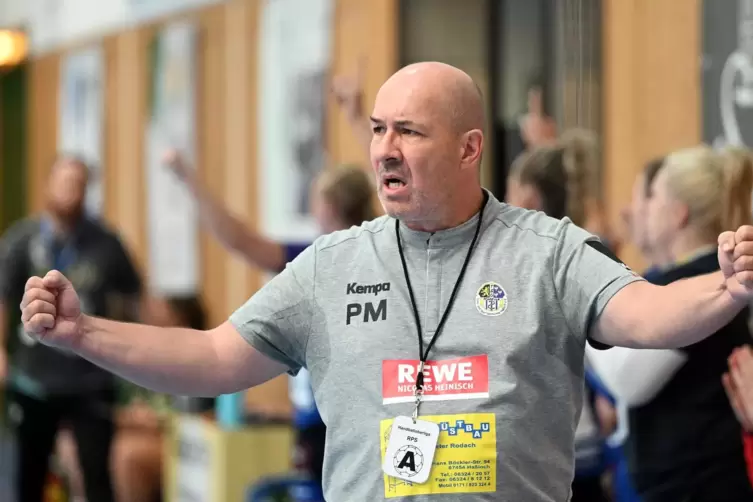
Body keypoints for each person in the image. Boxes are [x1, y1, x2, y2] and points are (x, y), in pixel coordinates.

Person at [16, 62, 753, 502]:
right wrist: (84, 334)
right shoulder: (332, 265)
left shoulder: (547, 252)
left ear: (469, 149)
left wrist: (726, 289)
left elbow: (648, 314)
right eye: (376, 129)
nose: (384, 151)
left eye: (409, 132)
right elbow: (213, 359)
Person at [164, 151, 378, 494]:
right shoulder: (329, 257)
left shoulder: (328, 261)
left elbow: (242, 241)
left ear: (330, 209)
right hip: (327, 417)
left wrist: (190, 180)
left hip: (335, 422)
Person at [592, 146, 753, 501]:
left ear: (678, 214)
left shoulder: (702, 278)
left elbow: (627, 380)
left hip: (701, 483)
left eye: (651, 198)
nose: (638, 212)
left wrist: (580, 304)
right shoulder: (693, 275)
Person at [0, 155, 141, 502]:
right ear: (48, 185)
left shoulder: (107, 244)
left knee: (96, 479)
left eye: (77, 185)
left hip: (90, 380)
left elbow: (135, 300)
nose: (69, 192)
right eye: (63, 183)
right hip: (34, 380)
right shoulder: (21, 241)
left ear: (86, 191)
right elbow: (2, 299)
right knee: (28, 479)